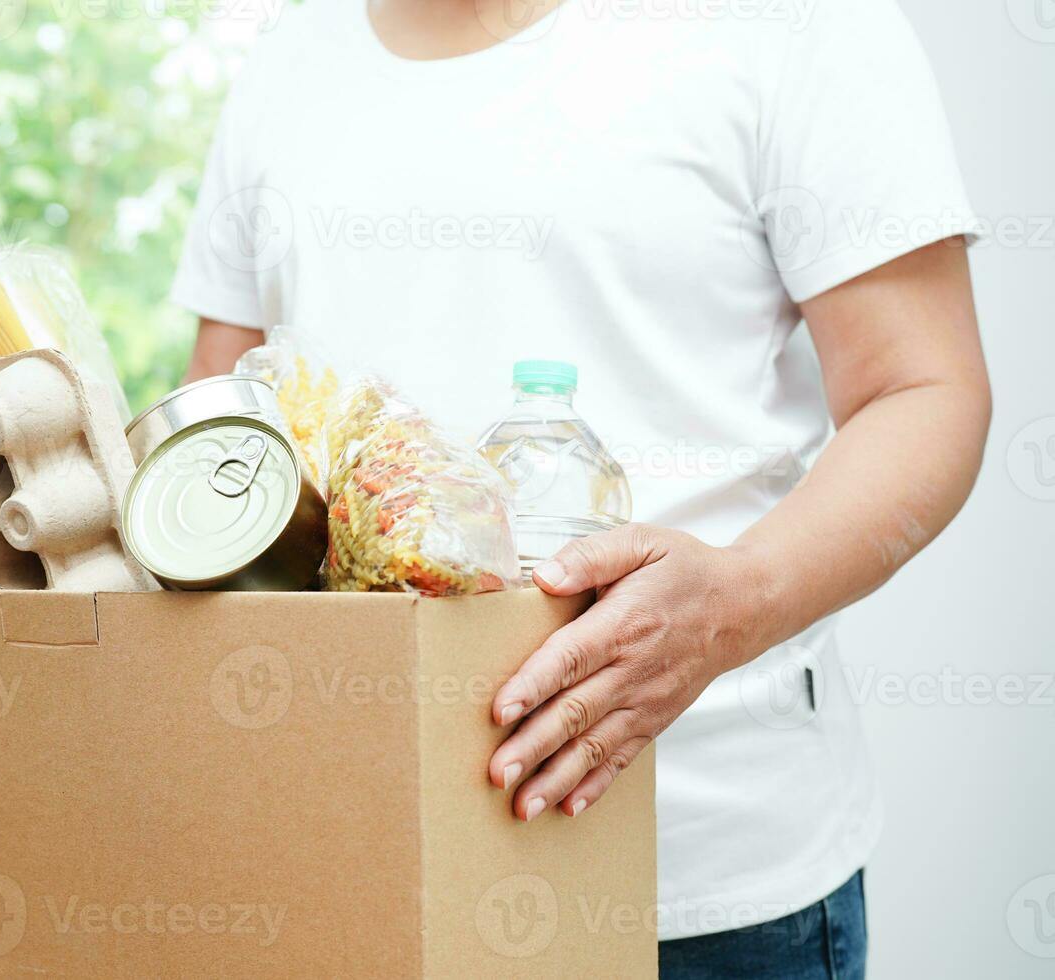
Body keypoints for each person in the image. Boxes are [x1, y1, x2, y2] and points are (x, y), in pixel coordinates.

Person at [172, 1, 991, 976]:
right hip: (344, 862)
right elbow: (219, 425)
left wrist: (736, 600)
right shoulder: (289, 57)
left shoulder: (796, 26)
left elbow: (926, 389)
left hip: (693, 892)